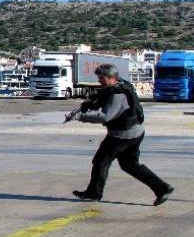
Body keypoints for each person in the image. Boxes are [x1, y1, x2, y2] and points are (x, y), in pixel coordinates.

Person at [68, 64, 174, 205]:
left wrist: (80, 116)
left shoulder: (118, 95)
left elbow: (106, 116)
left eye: (102, 78)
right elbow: (102, 98)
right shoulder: (121, 85)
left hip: (122, 136)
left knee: (101, 162)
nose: (99, 81)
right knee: (130, 165)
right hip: (135, 132)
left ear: (112, 78)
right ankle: (162, 188)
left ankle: (94, 193)